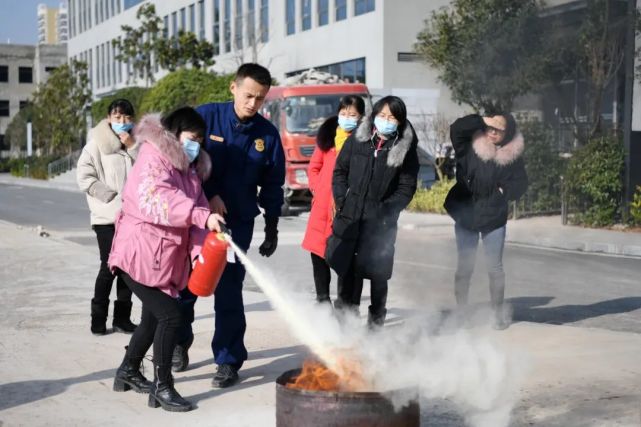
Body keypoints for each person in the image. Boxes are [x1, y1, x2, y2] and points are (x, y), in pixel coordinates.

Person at [172, 63, 285, 389]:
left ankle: (228, 360)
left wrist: (272, 225)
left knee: (229, 293)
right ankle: (180, 339)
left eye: (260, 98)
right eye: (248, 95)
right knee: (186, 285)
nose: (253, 103)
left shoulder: (267, 135)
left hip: (238, 224)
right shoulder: (206, 118)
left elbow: (274, 183)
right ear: (233, 88)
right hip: (196, 220)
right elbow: (179, 160)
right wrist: (209, 195)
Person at [108, 107, 224, 412]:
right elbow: (159, 200)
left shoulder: (190, 169)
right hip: (137, 254)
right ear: (173, 134)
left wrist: (201, 253)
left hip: (161, 259)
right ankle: (163, 387)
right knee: (171, 316)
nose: (195, 144)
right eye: (190, 137)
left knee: (151, 318)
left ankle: (127, 371)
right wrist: (202, 215)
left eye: (200, 139)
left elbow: (197, 214)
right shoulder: (153, 157)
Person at [326, 96, 419, 328]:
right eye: (382, 116)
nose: (386, 121)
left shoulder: (404, 150)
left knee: (378, 276)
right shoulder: (359, 140)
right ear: (374, 115)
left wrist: (386, 209)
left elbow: (406, 188)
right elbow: (340, 171)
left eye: (392, 117)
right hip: (351, 217)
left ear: (400, 121)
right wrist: (341, 198)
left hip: (381, 224)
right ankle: (345, 325)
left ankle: (375, 324)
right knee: (347, 272)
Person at [443, 113, 527, 330]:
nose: (492, 132)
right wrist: (482, 119)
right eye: (490, 128)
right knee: (465, 266)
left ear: (507, 133)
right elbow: (456, 129)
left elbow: (521, 183)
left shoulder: (512, 155)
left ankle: (498, 314)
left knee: (495, 268)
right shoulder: (470, 146)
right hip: (466, 214)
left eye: (498, 130)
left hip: (494, 217)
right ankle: (461, 311)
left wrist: (504, 191)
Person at [77, 99, 139, 335]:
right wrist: (108, 196)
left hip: (134, 218)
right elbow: (84, 176)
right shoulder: (96, 144)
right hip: (107, 218)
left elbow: (149, 169)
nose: (121, 122)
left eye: (126, 117)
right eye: (117, 117)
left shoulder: (136, 144)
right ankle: (98, 319)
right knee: (110, 266)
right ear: (108, 118)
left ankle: (122, 319)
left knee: (129, 269)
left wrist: (132, 146)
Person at [302, 95, 366, 305]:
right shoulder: (327, 138)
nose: (347, 118)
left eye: (352, 114)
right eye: (343, 113)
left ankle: (344, 305)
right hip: (321, 206)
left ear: (361, 117)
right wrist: (317, 187)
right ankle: (322, 300)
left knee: (344, 256)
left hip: (347, 209)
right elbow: (314, 168)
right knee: (318, 252)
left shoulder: (364, 142)